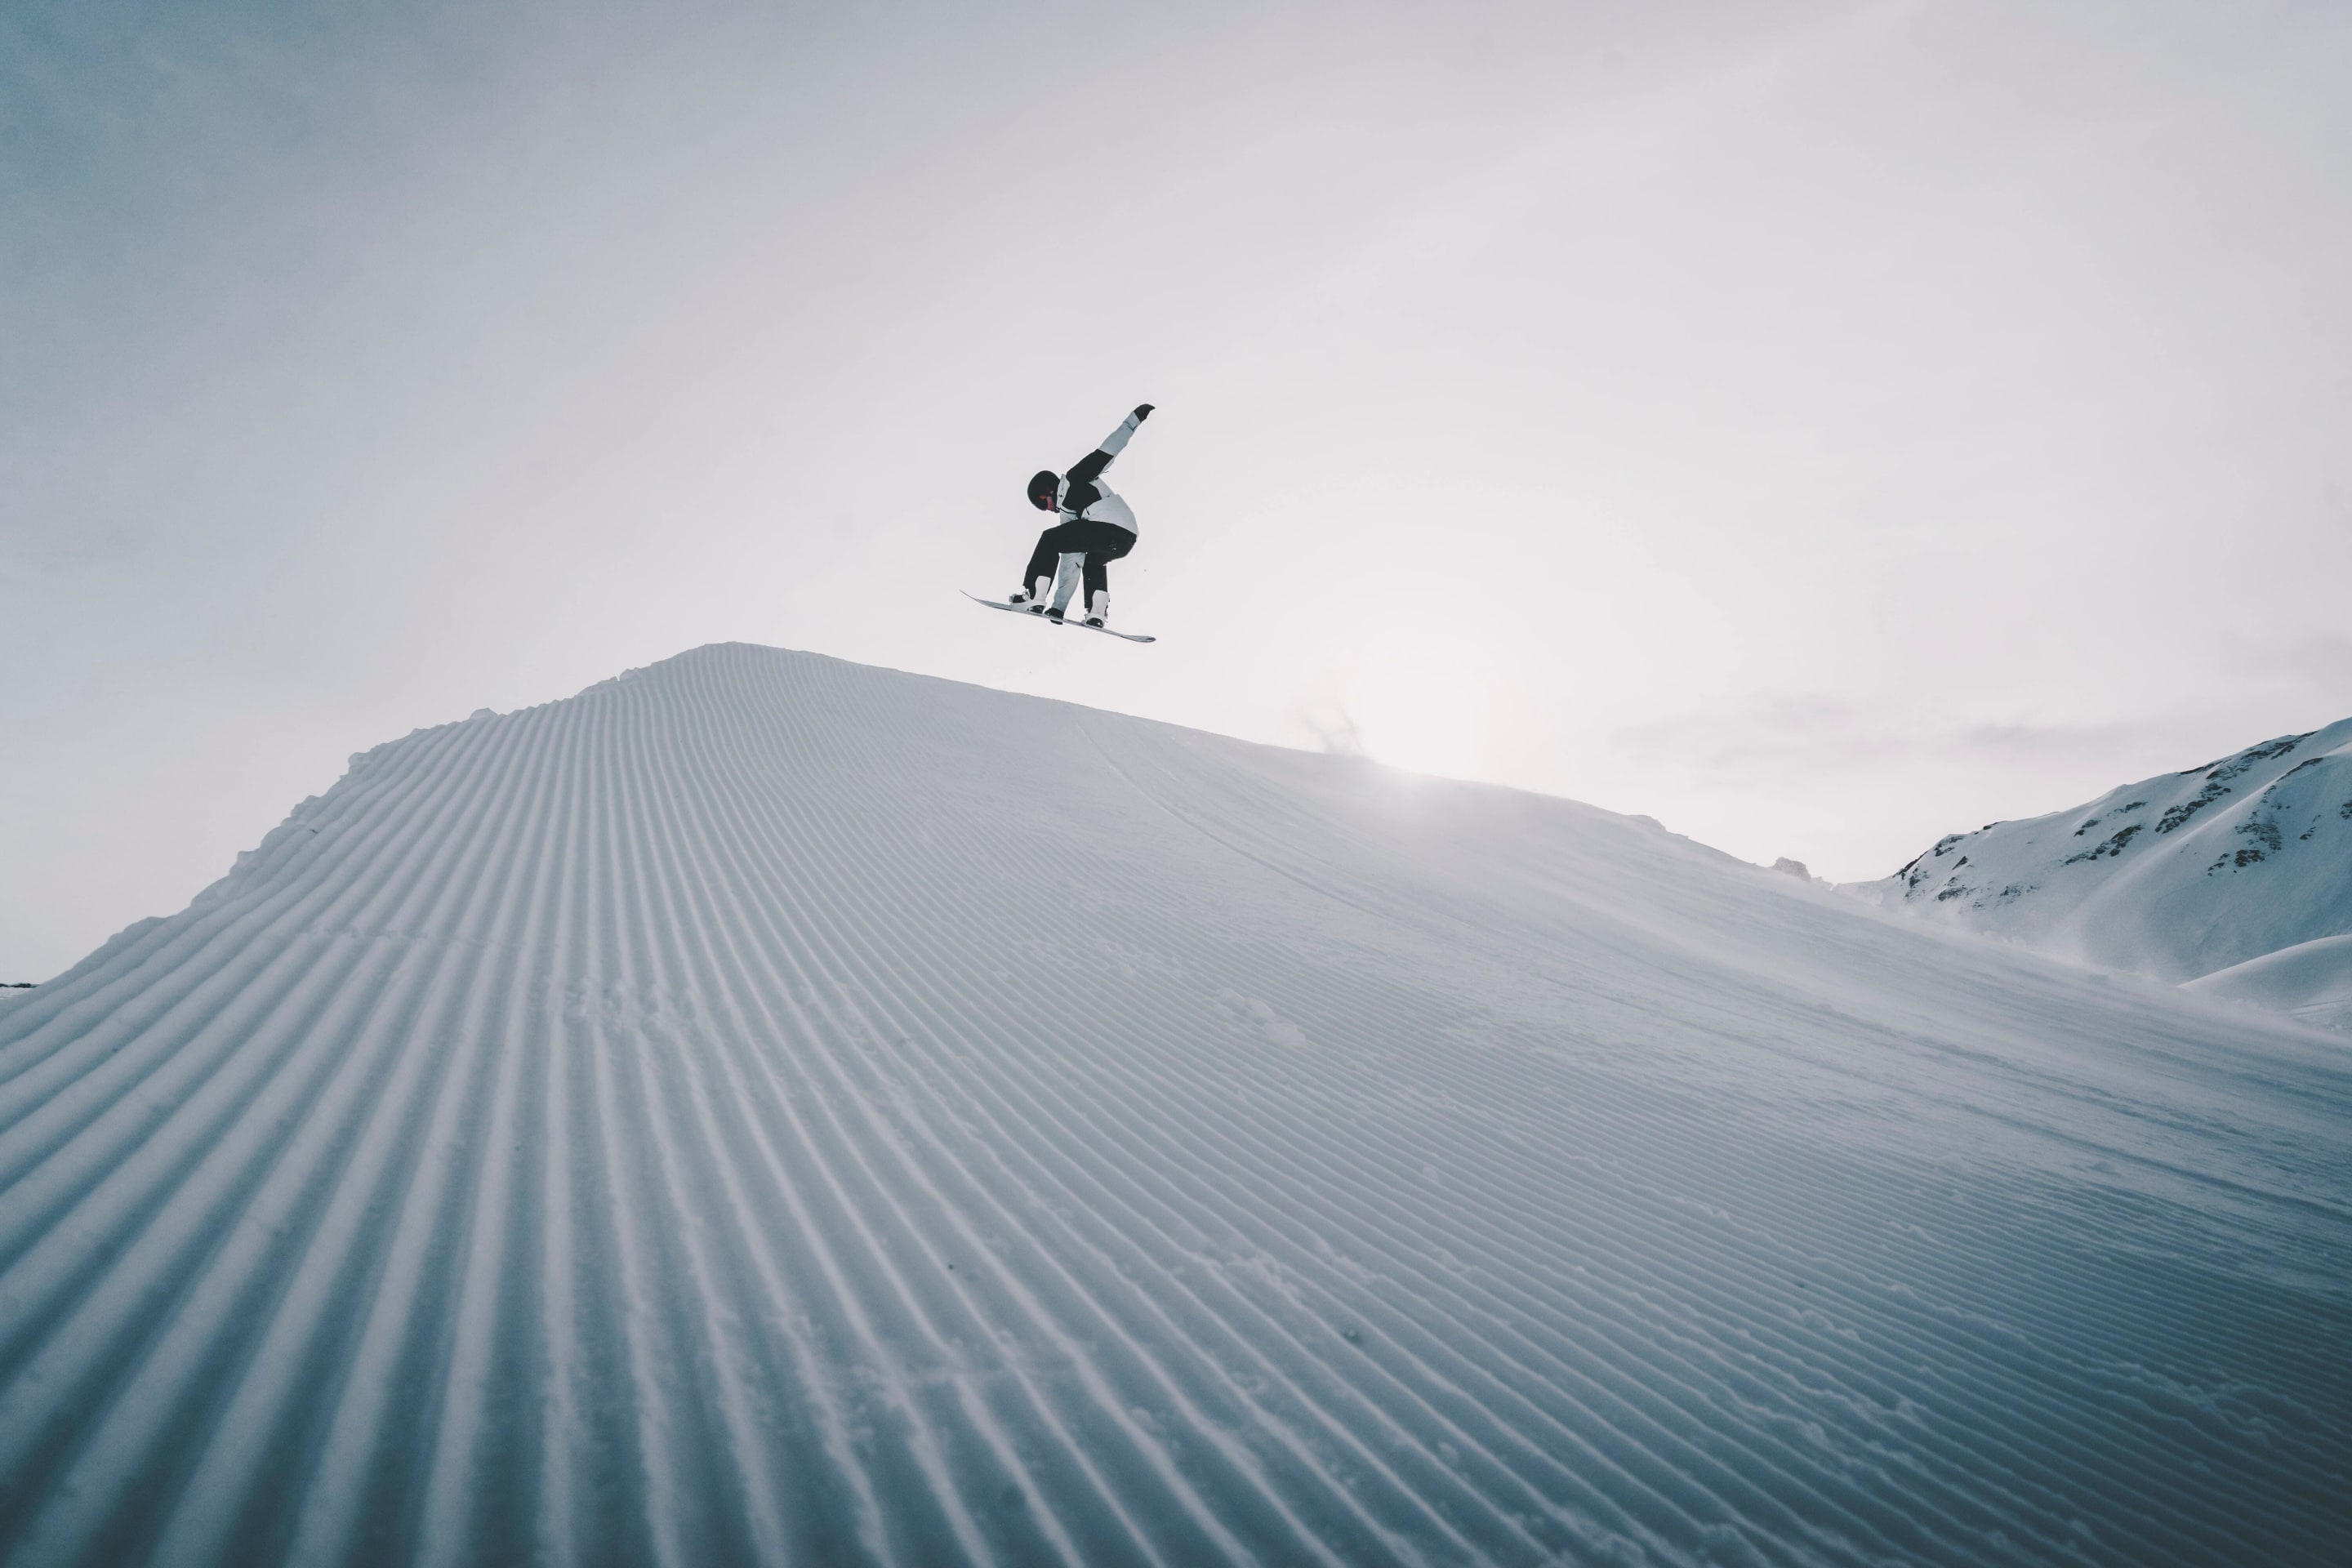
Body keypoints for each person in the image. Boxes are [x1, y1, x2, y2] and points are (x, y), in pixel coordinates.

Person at [1009, 403, 1154, 626]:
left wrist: (1133, 420)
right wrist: (1058, 608)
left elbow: (1106, 452)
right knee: (1093, 561)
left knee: (1049, 539)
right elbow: (1071, 561)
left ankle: (1032, 595)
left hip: (1107, 525)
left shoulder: (1074, 478)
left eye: (1043, 504)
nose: (1048, 509)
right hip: (1126, 537)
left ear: (1048, 490)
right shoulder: (1070, 516)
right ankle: (1096, 613)